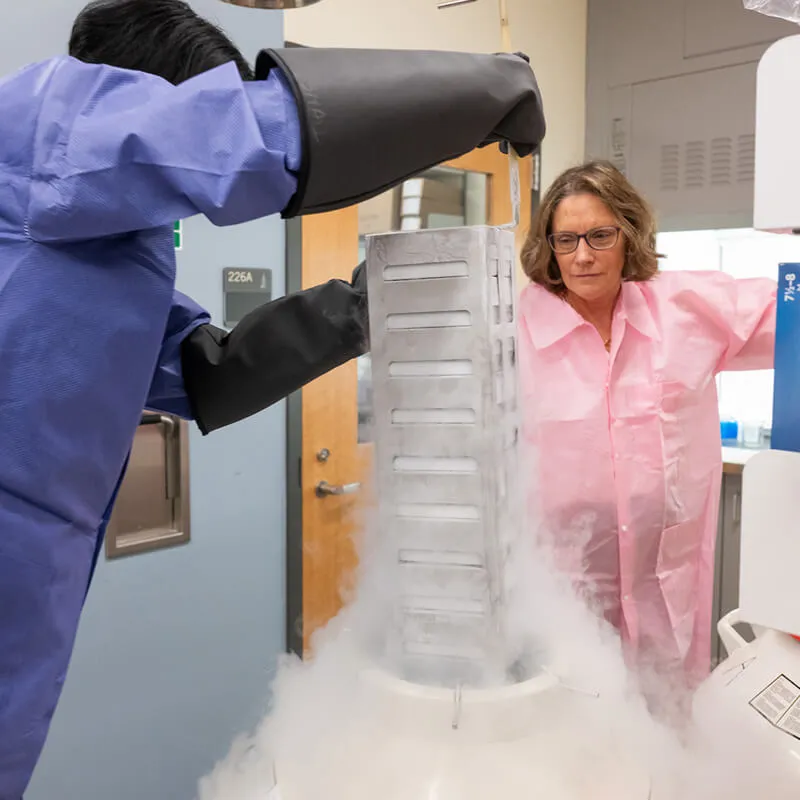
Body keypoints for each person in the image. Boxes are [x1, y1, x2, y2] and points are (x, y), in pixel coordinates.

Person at [0, 0, 546, 795]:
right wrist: (488, 88)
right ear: (138, 94)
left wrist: (366, 306)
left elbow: (200, 371)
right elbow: (255, 140)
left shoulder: (110, 243)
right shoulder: (46, 121)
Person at [516, 160, 775, 699]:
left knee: (663, 729)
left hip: (664, 583)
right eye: (566, 240)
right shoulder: (514, 332)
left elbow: (786, 313)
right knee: (572, 726)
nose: (583, 255)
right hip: (567, 587)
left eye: (600, 235)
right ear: (550, 248)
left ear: (629, 234)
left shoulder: (684, 310)